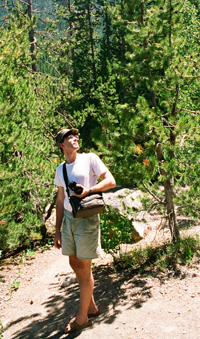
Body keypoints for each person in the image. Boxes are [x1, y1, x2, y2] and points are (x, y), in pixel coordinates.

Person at [54, 128, 116, 333]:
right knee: (74, 263)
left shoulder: (90, 159)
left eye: (75, 136)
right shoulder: (60, 169)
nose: (74, 138)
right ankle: (90, 307)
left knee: (84, 266)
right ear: (61, 145)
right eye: (69, 137)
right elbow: (60, 200)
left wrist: (90, 190)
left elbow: (111, 181)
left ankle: (82, 318)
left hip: (87, 218)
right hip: (69, 220)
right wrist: (57, 230)